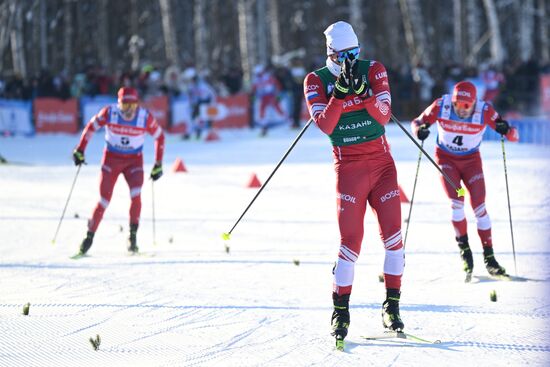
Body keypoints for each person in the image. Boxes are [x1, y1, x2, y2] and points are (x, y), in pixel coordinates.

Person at [303, 21, 405, 345]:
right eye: (344, 55)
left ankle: (392, 306)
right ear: (330, 54)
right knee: (350, 243)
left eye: (354, 53)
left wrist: (362, 94)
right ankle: (341, 311)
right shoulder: (315, 80)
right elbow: (325, 124)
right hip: (349, 169)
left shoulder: (373, 69)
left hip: (382, 165)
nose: (350, 61)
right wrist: (341, 95)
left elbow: (384, 114)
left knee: (394, 239)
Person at [411, 80, 519, 280]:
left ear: (474, 104)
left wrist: (507, 130)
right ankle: (465, 252)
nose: (461, 110)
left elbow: (514, 135)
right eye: (457, 105)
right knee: (457, 202)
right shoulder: (441, 106)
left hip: (471, 164)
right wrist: (419, 131)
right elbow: (416, 122)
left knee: (479, 206)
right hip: (447, 163)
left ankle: (489, 258)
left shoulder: (484, 110)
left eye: (466, 106)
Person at [72, 87, 165, 256]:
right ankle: (89, 238)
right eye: (125, 106)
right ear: (118, 104)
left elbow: (159, 136)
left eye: (133, 106)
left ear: (137, 105)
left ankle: (133, 238)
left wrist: (158, 163)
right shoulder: (110, 113)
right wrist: (80, 150)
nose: (129, 111)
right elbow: (91, 127)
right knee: (104, 200)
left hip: (134, 161)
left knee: (136, 195)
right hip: (112, 160)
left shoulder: (144, 117)